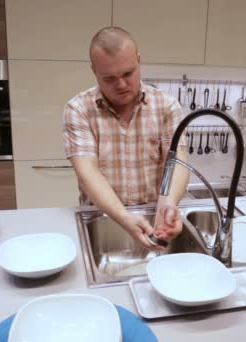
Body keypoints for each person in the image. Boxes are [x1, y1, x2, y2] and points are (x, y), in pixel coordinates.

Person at [62, 26, 189, 250]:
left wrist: (168, 205)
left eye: (128, 73)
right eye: (109, 78)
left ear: (138, 60)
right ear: (94, 70)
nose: (121, 85)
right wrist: (123, 217)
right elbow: (87, 172)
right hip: (102, 218)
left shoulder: (167, 106)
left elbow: (177, 160)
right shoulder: (79, 109)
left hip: (154, 217)